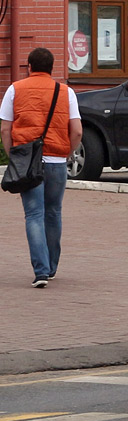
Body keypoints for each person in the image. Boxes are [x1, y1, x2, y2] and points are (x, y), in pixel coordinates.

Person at [1, 47, 83, 287]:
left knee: (34, 214)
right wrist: (65, 153)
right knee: (53, 212)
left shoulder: (14, 89)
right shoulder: (65, 92)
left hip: (28, 162)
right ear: (52, 68)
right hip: (56, 161)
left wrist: (13, 156)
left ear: (29, 67)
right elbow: (77, 131)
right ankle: (52, 266)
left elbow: (5, 128)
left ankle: (41, 271)